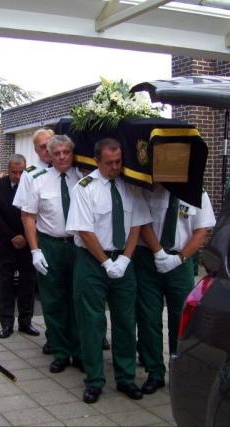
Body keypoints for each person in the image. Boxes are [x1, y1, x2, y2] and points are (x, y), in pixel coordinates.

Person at [66, 138, 152, 404]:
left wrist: (125, 259)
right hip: (92, 261)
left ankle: (126, 378)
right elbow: (84, 230)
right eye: (109, 163)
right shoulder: (84, 188)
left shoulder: (130, 185)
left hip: (123, 260)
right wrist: (105, 262)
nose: (115, 167)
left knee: (126, 321)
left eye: (118, 162)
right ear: (97, 160)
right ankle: (94, 380)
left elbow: (136, 224)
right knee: (92, 323)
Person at [137, 184, 216, 394]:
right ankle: (154, 372)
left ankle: (179, 371)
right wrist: (159, 252)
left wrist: (179, 259)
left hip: (181, 262)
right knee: (149, 318)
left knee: (180, 319)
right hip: (149, 259)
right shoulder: (149, 189)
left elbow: (201, 231)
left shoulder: (197, 193)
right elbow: (143, 223)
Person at [20, 135, 82, 373]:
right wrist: (35, 250)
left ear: (72, 153)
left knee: (78, 299)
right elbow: (28, 216)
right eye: (57, 153)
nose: (62, 157)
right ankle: (60, 352)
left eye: (66, 152)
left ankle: (79, 351)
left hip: (78, 245)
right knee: (53, 301)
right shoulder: (38, 180)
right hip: (50, 245)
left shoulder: (83, 178)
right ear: (50, 155)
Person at [12, 128, 55, 354]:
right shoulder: (30, 174)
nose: (47, 149)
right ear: (36, 150)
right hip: (47, 241)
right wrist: (35, 249)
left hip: (75, 241)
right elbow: (26, 214)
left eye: (50, 143)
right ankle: (54, 337)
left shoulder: (69, 166)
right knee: (50, 296)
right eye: (41, 146)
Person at [0, 154, 40, 339]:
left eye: (21, 172)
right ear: (8, 170)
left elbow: (36, 214)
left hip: (28, 243)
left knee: (28, 284)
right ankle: (6, 324)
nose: (18, 176)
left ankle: (26, 322)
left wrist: (27, 237)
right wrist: (12, 237)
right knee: (5, 285)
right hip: (5, 243)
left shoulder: (33, 184)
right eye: (14, 172)